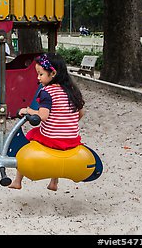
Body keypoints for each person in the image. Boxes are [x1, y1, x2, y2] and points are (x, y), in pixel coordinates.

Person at [9, 53, 86, 191]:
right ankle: (53, 182)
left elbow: (43, 116)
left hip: (51, 139)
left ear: (53, 73)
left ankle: (17, 181)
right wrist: (65, 123)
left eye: (40, 74)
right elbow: (80, 113)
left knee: (28, 139)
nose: (38, 78)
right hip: (72, 139)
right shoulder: (72, 90)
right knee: (56, 151)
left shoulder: (47, 92)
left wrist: (28, 110)